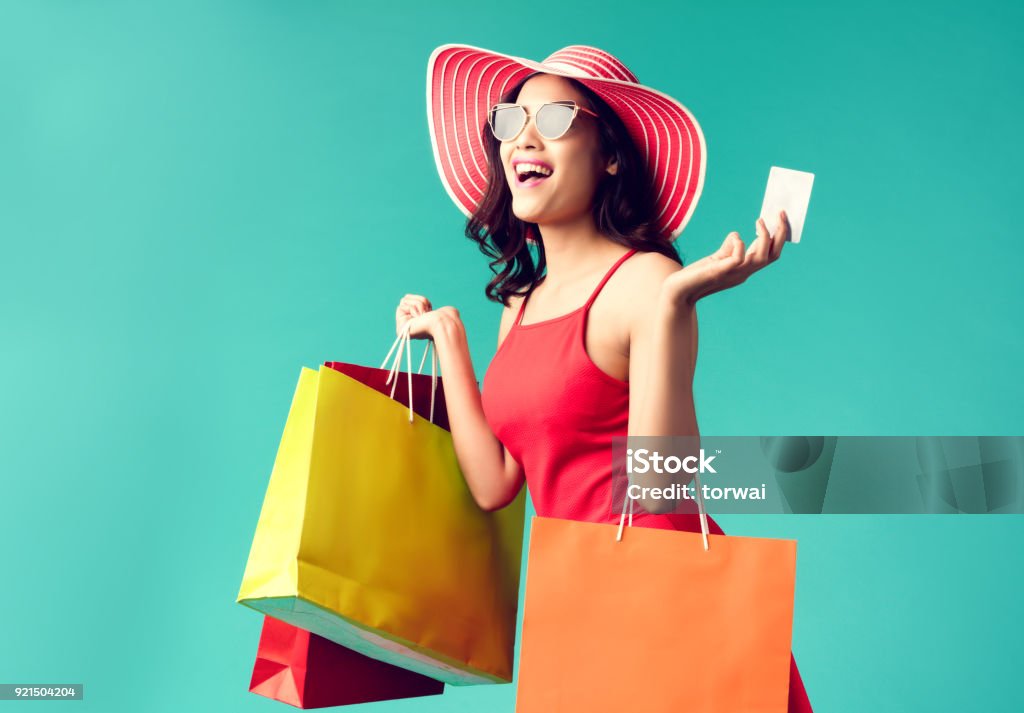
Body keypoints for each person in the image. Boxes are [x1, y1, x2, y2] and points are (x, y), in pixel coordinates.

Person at [397, 44, 812, 711]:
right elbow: (496, 483)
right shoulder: (518, 306)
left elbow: (660, 486)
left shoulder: (645, 281)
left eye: (556, 118)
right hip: (578, 604)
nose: (525, 137)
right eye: (512, 120)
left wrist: (674, 306)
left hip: (663, 596)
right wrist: (449, 339)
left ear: (610, 153)